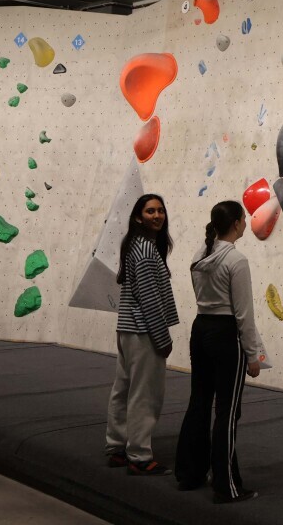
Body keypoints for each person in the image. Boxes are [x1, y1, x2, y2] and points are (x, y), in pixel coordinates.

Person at [175, 200, 264, 504]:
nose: (245, 223)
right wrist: (253, 355)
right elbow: (244, 314)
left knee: (199, 402)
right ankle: (226, 486)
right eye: (244, 219)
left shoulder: (200, 254)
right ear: (237, 223)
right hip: (225, 335)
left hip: (200, 330)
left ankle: (190, 474)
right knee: (227, 411)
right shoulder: (236, 260)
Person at [104, 193, 179, 475]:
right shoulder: (146, 250)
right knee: (144, 395)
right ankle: (139, 456)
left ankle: (117, 448)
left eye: (160, 210)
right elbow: (149, 299)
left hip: (128, 329)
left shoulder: (136, 245)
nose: (157, 215)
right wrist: (163, 338)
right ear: (138, 217)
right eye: (150, 211)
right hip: (143, 331)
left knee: (123, 391)